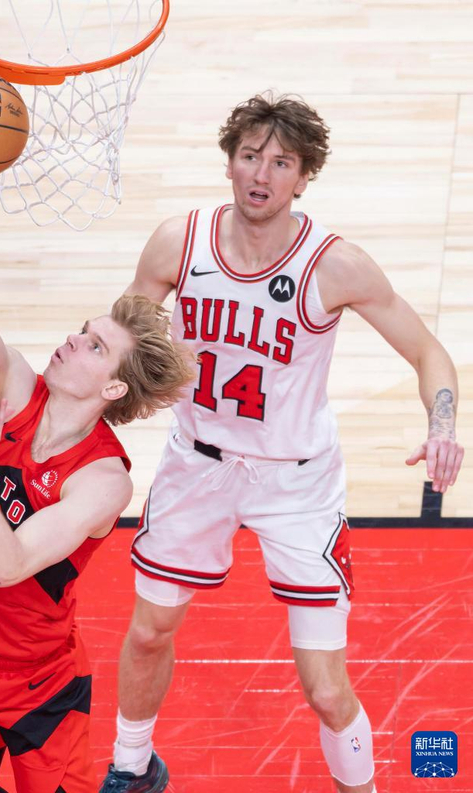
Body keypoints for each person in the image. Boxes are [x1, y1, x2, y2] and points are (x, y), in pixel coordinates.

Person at [99, 94, 465, 793]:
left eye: (280, 162)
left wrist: (442, 425)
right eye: (249, 156)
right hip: (197, 463)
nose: (260, 174)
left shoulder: (336, 265)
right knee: (148, 630)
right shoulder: (178, 243)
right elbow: (119, 342)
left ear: (304, 176)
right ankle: (131, 765)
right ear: (229, 163)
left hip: (296, 482)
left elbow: (429, 352)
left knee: (324, 689)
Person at [0, 155, 194, 793]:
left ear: (114, 387)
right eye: (82, 331)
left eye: (95, 346)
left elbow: (7, 564)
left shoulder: (103, 480)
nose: (73, 341)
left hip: (37, 687)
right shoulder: (15, 388)